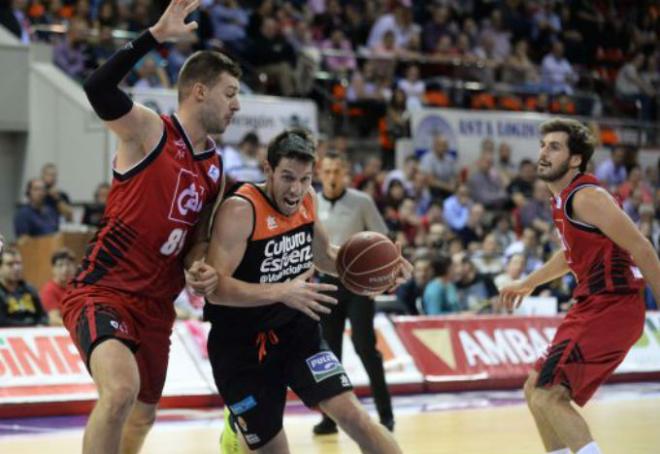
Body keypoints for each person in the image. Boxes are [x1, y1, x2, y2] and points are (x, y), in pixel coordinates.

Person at [59, 1, 241, 453]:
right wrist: (154, 36)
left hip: (157, 307)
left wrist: (199, 267)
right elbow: (97, 85)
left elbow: (196, 240)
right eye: (230, 93)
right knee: (119, 392)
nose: (237, 104)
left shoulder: (215, 167)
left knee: (141, 417)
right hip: (105, 289)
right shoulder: (148, 130)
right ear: (199, 91)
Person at [204, 129, 406, 453]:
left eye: (305, 178)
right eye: (287, 177)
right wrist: (281, 291)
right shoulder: (241, 210)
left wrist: (381, 273)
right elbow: (215, 290)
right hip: (241, 347)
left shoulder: (308, 199)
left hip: (298, 333)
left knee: (356, 418)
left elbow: (324, 256)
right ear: (268, 170)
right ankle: (237, 427)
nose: (296, 189)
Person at [499, 118, 660, 454]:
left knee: (548, 393)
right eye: (543, 145)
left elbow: (642, 248)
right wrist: (528, 283)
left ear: (574, 159)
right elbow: (569, 254)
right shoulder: (563, 200)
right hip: (593, 305)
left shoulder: (587, 197)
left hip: (612, 305)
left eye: (554, 147)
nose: (543, 153)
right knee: (535, 390)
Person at [312, 151, 395, 435]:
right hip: (326, 284)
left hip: (358, 286)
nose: (332, 176)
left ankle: (386, 414)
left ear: (346, 172)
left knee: (364, 347)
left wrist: (381, 281)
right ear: (319, 173)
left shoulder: (362, 202)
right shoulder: (310, 202)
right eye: (327, 171)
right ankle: (330, 419)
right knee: (329, 354)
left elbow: (384, 241)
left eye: (337, 170)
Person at [0, 247, 48, 327]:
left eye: (18, 263)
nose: (16, 268)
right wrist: (29, 325)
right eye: (10, 264)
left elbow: (44, 317)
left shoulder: (30, 290)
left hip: (32, 334)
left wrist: (40, 324)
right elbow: (2, 321)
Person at [40, 248, 76, 326]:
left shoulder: (78, 287)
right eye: (60, 265)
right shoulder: (49, 290)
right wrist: (76, 327)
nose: (65, 269)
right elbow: (54, 320)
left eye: (68, 264)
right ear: (53, 269)